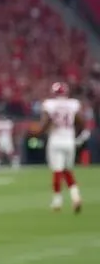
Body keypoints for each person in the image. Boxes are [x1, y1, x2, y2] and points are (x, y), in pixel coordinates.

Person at [39, 81, 86, 213]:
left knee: (57, 170)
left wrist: (39, 132)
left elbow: (46, 121)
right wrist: (75, 136)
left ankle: (57, 201)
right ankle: (75, 196)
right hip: (69, 140)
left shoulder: (49, 104)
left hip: (56, 140)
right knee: (67, 170)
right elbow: (81, 122)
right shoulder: (73, 104)